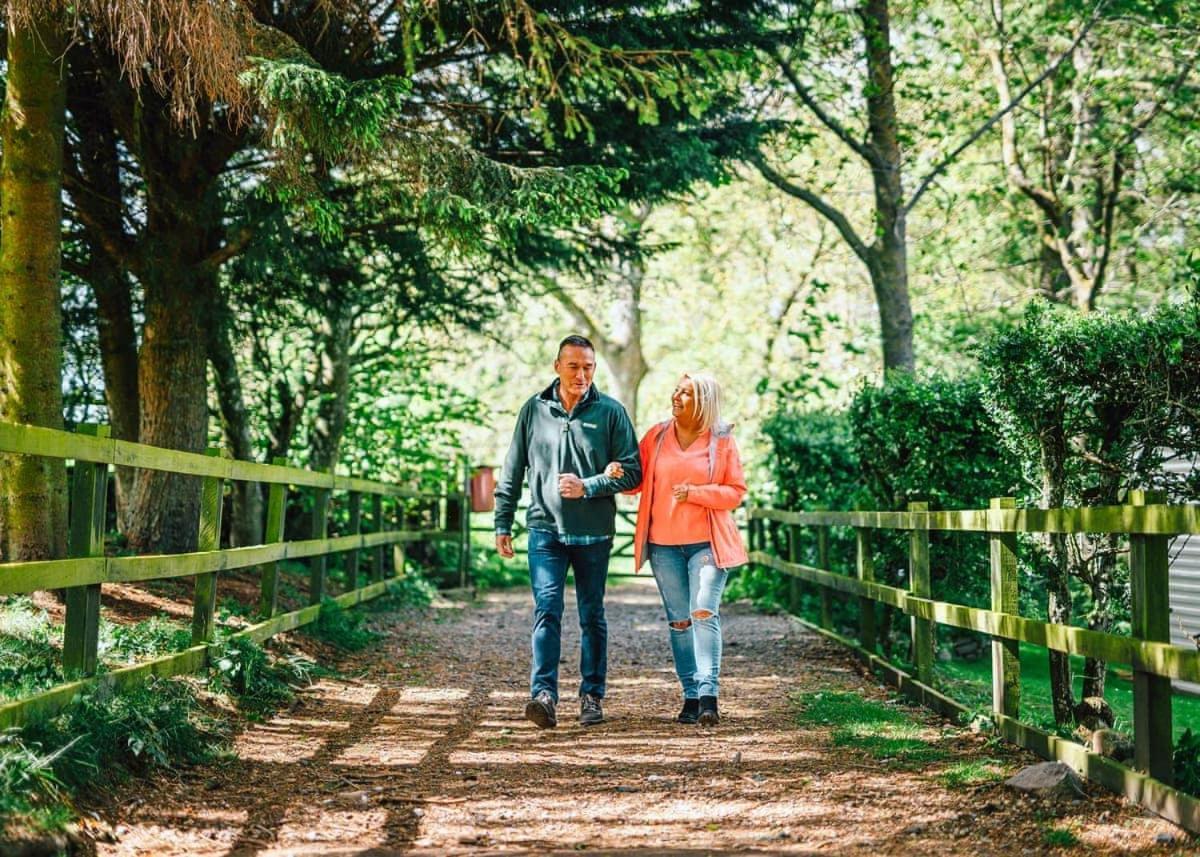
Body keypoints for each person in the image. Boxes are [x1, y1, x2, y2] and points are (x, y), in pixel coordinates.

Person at [494, 335, 642, 729]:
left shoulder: (611, 412)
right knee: (547, 611)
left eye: (589, 366)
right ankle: (543, 695)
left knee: (593, 615)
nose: (582, 374)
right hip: (545, 530)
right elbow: (512, 470)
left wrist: (589, 485)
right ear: (557, 366)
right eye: (574, 366)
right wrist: (502, 522)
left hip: (594, 534)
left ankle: (592, 697)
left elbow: (633, 470)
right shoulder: (534, 410)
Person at [617, 373, 747, 726]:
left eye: (685, 393)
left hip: (707, 542)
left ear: (702, 401)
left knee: (704, 611)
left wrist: (696, 493)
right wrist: (616, 472)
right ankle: (690, 695)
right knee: (679, 621)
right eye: (676, 390)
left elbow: (735, 491)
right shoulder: (657, 436)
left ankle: (709, 696)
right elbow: (636, 481)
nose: (676, 396)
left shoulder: (721, 441)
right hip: (663, 546)